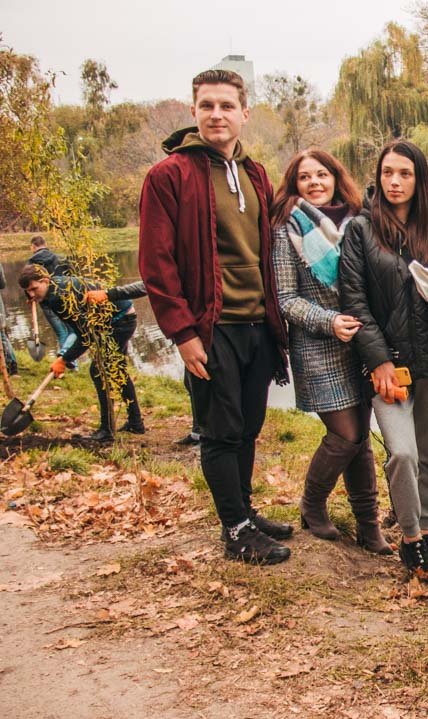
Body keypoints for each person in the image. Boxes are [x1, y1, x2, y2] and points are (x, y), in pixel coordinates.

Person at [137, 69, 293, 565]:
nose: (216, 115)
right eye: (207, 106)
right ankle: (235, 530)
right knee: (220, 430)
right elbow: (156, 263)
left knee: (248, 426)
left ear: (245, 114)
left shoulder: (256, 173)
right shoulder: (170, 176)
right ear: (193, 113)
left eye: (226, 106)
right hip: (212, 326)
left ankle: (243, 510)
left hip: (257, 324)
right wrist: (182, 333)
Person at [340, 140, 428, 564]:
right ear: (378, 176)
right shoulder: (360, 230)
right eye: (388, 172)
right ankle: (411, 536)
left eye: (405, 174)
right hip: (387, 365)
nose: (394, 182)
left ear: (420, 179)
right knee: (403, 454)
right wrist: (378, 360)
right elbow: (354, 300)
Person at [270, 149, 390, 554]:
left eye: (322, 174)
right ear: (295, 184)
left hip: (361, 347)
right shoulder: (287, 229)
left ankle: (369, 525)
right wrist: (329, 321)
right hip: (318, 347)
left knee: (362, 439)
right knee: (346, 434)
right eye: (305, 177)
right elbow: (286, 298)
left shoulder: (359, 221)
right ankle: (312, 503)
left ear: (337, 178)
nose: (315, 183)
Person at [18, 264, 145, 440]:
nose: (31, 294)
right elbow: (84, 331)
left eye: (34, 289)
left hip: (119, 321)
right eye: (27, 291)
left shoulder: (59, 297)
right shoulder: (52, 288)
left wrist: (64, 359)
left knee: (99, 370)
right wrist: (35, 297)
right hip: (117, 319)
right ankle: (136, 423)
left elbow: (86, 336)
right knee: (118, 370)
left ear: (45, 280)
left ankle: (107, 430)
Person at [29, 235, 78, 368]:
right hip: (67, 299)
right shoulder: (60, 258)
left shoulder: (31, 263)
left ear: (33, 246)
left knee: (61, 332)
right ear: (45, 244)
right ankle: (70, 361)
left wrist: (31, 297)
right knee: (72, 330)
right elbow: (73, 276)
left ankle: (66, 360)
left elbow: (28, 282)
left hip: (46, 302)